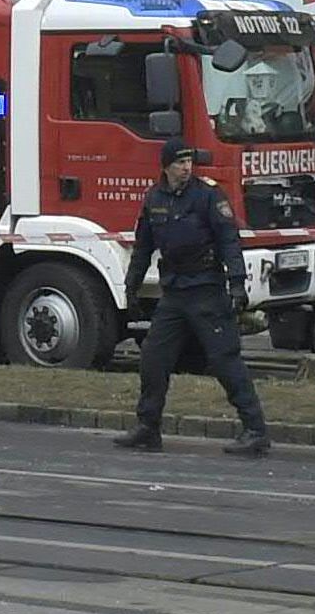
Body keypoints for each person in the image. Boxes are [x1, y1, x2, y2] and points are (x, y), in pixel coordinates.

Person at [112, 139, 269, 456]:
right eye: (180, 162)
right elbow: (143, 247)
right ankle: (148, 427)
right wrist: (131, 288)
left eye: (189, 162)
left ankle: (255, 429)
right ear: (166, 166)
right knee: (154, 359)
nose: (186, 167)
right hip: (174, 293)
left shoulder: (207, 195)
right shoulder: (155, 198)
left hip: (206, 290)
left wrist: (237, 284)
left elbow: (228, 240)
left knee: (224, 360)